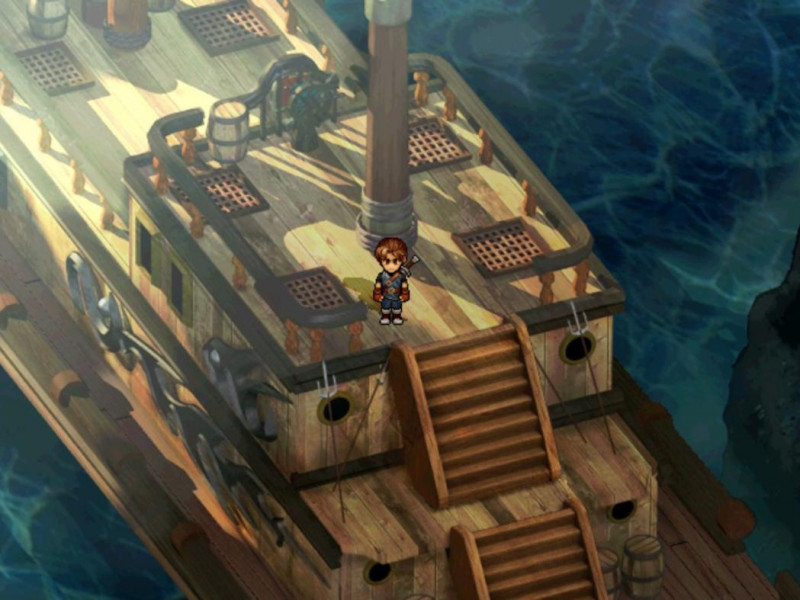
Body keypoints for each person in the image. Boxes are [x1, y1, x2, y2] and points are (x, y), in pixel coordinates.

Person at [372, 237, 410, 325]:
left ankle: (397, 317)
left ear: (403, 260)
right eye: (387, 261)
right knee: (385, 308)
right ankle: (385, 317)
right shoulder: (382, 275)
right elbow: (378, 284)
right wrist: (377, 293)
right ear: (381, 261)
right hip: (385, 295)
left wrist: (405, 294)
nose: (391, 266)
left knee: (397, 308)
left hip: (397, 296)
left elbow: (404, 285)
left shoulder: (401, 276)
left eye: (395, 261)